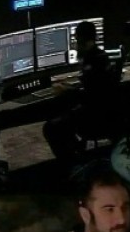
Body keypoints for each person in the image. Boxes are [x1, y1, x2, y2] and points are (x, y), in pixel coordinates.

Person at [42, 21, 125, 160]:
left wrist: (66, 91)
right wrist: (71, 88)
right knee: (63, 114)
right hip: (111, 116)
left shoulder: (91, 61)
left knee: (51, 128)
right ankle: (79, 154)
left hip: (95, 119)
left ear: (82, 40)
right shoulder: (101, 56)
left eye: (76, 40)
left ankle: (72, 163)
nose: (75, 45)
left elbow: (90, 96)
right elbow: (95, 89)